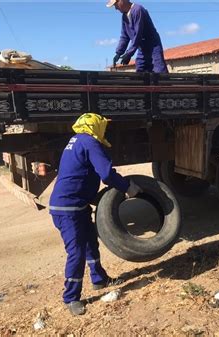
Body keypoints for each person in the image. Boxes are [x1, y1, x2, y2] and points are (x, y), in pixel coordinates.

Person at [49, 113, 142, 316]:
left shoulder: (76, 140)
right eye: (102, 126)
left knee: (91, 241)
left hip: (75, 205)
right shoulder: (89, 142)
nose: (104, 130)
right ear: (95, 127)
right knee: (77, 252)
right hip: (68, 208)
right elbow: (106, 174)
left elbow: (81, 173)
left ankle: (99, 279)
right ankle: (71, 298)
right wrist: (127, 187)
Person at [107, 0, 168, 73]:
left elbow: (138, 34)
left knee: (159, 70)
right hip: (141, 47)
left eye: (116, 5)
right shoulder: (124, 17)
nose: (116, 8)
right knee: (140, 68)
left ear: (122, 1)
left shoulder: (137, 10)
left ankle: (164, 83)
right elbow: (124, 36)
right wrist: (118, 53)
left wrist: (129, 53)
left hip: (153, 46)